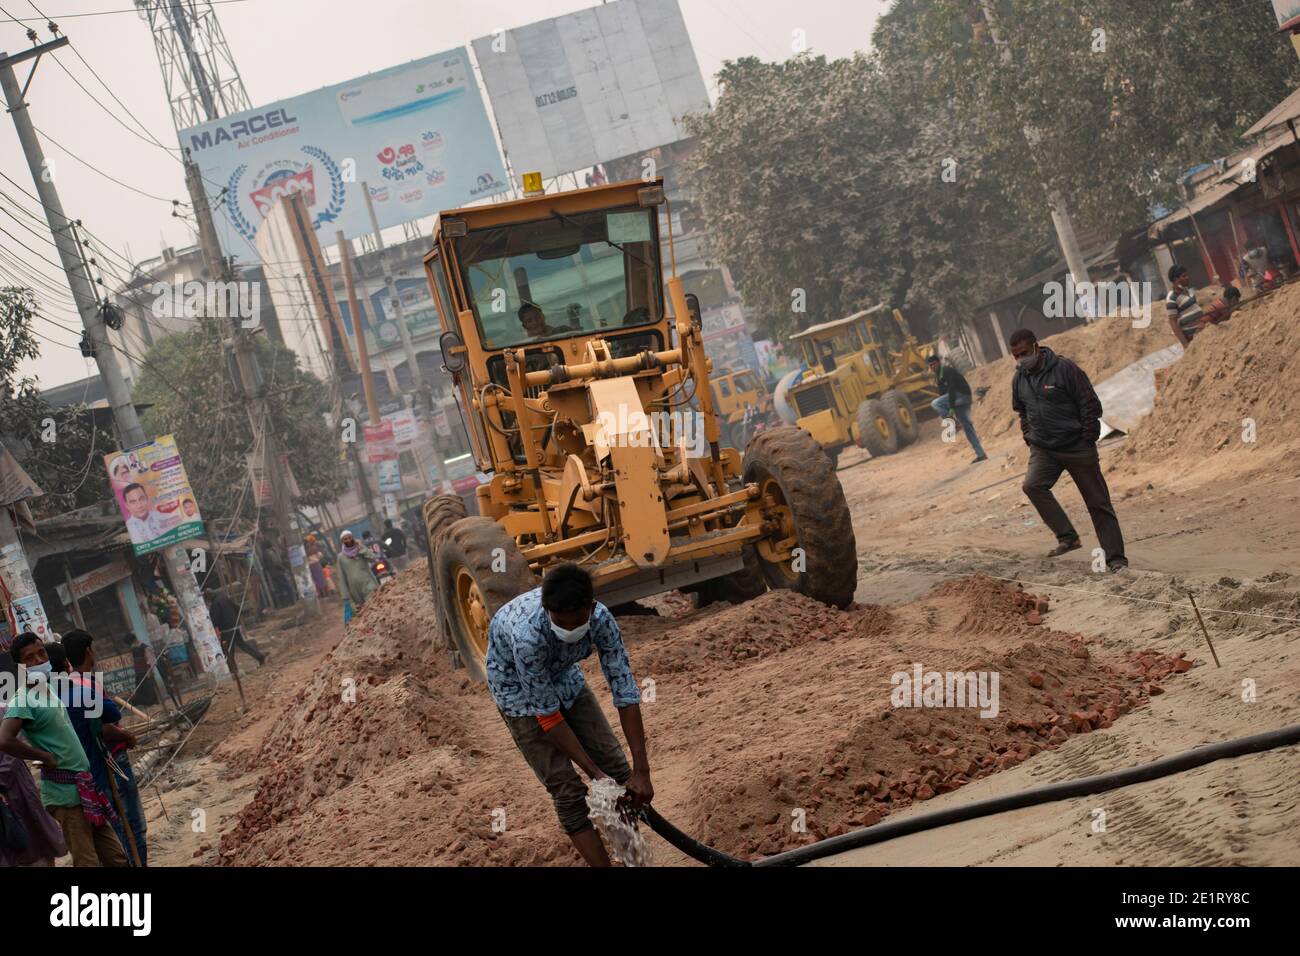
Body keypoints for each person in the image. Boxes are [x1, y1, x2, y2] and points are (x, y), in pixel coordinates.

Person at [486, 563, 651, 866]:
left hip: (564, 675)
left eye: (578, 623)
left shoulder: (601, 619)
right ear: (547, 610)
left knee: (618, 771)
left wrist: (641, 771)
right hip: (516, 691)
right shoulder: (527, 638)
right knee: (567, 790)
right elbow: (548, 717)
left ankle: (633, 861)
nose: (571, 631)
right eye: (563, 624)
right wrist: (595, 775)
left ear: (591, 606)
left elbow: (625, 691)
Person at [0, 633, 127, 866]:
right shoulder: (23, 698)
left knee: (116, 857)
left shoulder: (48, 690)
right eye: (30, 658)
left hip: (84, 786)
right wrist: (44, 756)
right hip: (64, 792)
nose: (39, 660)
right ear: (20, 667)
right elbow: (5, 739)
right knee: (87, 861)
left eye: (42, 653)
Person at [1009, 329, 1128, 572]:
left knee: (1097, 502)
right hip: (1043, 449)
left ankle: (1116, 560)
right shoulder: (1019, 378)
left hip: (1076, 446)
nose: (1020, 360)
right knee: (1032, 486)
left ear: (1035, 347)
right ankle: (1068, 537)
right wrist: (1029, 436)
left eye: (1023, 353)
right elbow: (1022, 411)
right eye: (1016, 356)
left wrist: (1086, 438)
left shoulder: (1065, 369)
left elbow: (1090, 403)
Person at [60, 631, 147, 866]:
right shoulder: (84, 685)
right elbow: (102, 727)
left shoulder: (71, 686)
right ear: (89, 651)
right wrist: (126, 735)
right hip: (111, 758)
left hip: (96, 762)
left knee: (119, 822)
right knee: (131, 824)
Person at [0, 749, 68, 866]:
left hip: (19, 796)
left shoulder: (5, 741)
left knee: (35, 841)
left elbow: (9, 762)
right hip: (10, 801)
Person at [927, 353, 987, 463]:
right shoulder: (938, 377)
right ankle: (981, 454)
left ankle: (953, 423)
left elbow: (951, 390)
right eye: (930, 366)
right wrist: (949, 408)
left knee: (935, 404)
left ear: (939, 363)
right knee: (968, 427)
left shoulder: (946, 371)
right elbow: (942, 394)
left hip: (962, 396)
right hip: (957, 399)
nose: (932, 367)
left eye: (934, 364)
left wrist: (951, 409)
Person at [203, 588, 267, 667]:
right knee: (242, 644)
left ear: (209, 597)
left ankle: (233, 670)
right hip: (235, 626)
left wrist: (212, 627)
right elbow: (238, 608)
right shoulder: (225, 598)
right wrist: (234, 619)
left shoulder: (215, 604)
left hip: (226, 630)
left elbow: (215, 620)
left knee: (228, 650)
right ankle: (259, 657)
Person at [335, 530, 379, 624]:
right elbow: (342, 578)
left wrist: (361, 547)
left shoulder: (360, 549)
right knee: (364, 613)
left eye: (350, 537)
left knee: (372, 606)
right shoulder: (341, 557)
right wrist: (346, 597)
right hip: (355, 591)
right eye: (345, 539)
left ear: (353, 538)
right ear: (342, 541)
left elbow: (373, 558)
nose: (348, 540)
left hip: (368, 584)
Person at [1165, 265, 1205, 347]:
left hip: (1203, 331)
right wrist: (1185, 345)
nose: (1187, 277)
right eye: (1184, 276)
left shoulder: (1188, 291)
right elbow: (1173, 323)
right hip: (1194, 338)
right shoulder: (1172, 298)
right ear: (1176, 279)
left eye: (1187, 275)